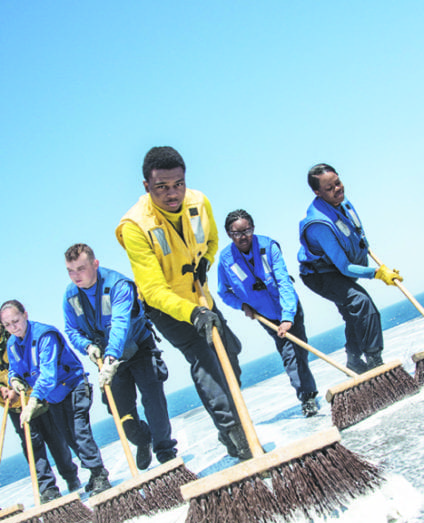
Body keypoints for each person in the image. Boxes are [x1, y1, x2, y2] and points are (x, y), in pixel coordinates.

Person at [115, 145, 251, 460]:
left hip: (199, 293)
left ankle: (226, 426)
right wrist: (193, 313)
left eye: (178, 184)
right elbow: (152, 289)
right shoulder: (134, 227)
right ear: (146, 186)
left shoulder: (199, 201)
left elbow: (213, 239)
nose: (172, 193)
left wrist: (207, 260)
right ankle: (235, 433)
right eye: (161, 187)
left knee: (229, 353)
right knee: (204, 355)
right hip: (168, 307)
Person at [63, 243, 177, 468]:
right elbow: (71, 329)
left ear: (95, 264)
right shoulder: (70, 296)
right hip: (106, 357)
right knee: (122, 414)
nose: (76, 275)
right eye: (70, 270)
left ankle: (166, 453)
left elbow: (120, 324)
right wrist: (87, 346)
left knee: (153, 402)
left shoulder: (118, 285)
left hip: (138, 348)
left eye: (81, 268)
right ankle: (142, 439)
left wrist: (111, 358)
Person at [298, 163, 402, 373]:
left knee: (353, 314)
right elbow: (345, 267)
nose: (337, 189)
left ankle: (354, 360)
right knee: (362, 303)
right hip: (320, 275)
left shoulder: (344, 205)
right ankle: (374, 359)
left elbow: (357, 236)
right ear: (317, 192)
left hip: (338, 268)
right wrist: (377, 273)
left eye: (338, 183)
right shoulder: (319, 224)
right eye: (329, 188)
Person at [0, 300, 111, 496]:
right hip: (53, 397)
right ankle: (94, 473)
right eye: (7, 325)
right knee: (69, 437)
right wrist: (14, 380)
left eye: (15, 321)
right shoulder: (12, 343)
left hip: (73, 387)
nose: (13, 328)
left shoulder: (44, 335)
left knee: (79, 432)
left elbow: (48, 374)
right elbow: (15, 369)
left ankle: (99, 473)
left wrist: (33, 400)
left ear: (25, 315)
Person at [218, 210, 319, 416]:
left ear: (253, 228)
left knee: (299, 351)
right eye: (237, 233)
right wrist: (242, 306)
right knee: (289, 354)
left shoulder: (268, 246)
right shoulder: (226, 260)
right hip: (265, 316)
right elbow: (223, 292)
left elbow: (283, 282)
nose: (243, 236)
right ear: (229, 234)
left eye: (247, 230)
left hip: (289, 309)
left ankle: (307, 391)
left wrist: (288, 317)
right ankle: (307, 398)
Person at [0, 323, 80, 503]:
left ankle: (70, 476)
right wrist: (3, 390)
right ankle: (48, 488)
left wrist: (16, 385)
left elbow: (29, 362)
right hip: (15, 406)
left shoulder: (13, 335)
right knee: (31, 445)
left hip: (38, 398)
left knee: (56, 439)